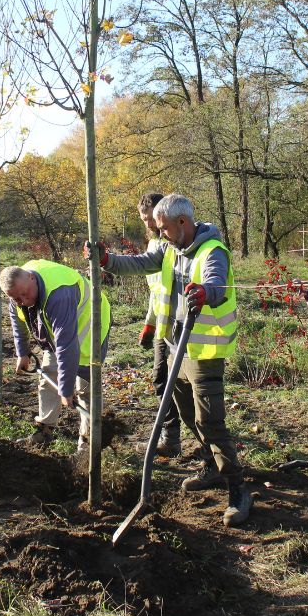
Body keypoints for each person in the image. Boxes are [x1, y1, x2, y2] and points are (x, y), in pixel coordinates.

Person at [85, 193, 252, 526]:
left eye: (163, 227)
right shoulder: (168, 248)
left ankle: (238, 489)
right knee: (188, 415)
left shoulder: (212, 251)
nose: (159, 233)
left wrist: (206, 292)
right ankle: (211, 466)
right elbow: (138, 263)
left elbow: (217, 283)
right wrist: (105, 260)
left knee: (210, 422)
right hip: (176, 346)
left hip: (204, 352)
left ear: (182, 222)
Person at [0, 259, 110, 452]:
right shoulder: (18, 288)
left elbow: (67, 345)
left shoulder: (59, 294)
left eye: (25, 294)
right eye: (16, 298)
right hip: (57, 331)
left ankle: (87, 445)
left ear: (31, 278)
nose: (23, 301)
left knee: (85, 388)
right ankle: (44, 430)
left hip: (90, 326)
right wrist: (22, 352)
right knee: (49, 375)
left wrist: (66, 389)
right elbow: (18, 320)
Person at [137, 192, 182, 457]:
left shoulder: (174, 245)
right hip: (161, 323)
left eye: (151, 218)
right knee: (160, 380)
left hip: (179, 325)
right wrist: (150, 324)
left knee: (175, 383)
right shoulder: (154, 245)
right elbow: (157, 291)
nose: (148, 223)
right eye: (144, 219)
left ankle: (176, 438)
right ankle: (171, 437)